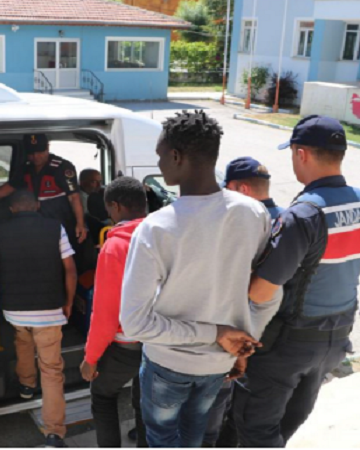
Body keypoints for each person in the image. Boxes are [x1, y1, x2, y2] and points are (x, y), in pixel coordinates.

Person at [120, 110, 281, 448]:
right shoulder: (253, 213)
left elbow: (133, 324)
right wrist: (241, 343)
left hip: (168, 364)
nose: (159, 163)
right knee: (194, 434)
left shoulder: (155, 228)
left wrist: (218, 335)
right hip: (218, 365)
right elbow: (267, 293)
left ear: (176, 156)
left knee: (163, 438)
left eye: (160, 155)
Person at [234, 115, 360, 447]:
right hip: (336, 338)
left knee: (255, 427)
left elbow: (262, 290)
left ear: (301, 153)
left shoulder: (303, 215)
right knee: (291, 419)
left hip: (288, 344)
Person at [0, 190, 78, 448]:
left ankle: (26, 386)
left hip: (14, 309)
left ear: (12, 209)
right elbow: (69, 268)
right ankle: (54, 431)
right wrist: (68, 301)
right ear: (36, 206)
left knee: (22, 341)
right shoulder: (55, 227)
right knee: (51, 369)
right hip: (49, 310)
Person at [202, 157, 287, 448]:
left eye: (229, 190)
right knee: (245, 416)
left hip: (237, 338)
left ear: (241, 188)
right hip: (275, 338)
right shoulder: (290, 222)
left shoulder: (240, 223)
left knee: (215, 415)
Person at [80, 176, 148, 448]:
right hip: (160, 341)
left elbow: (105, 312)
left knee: (103, 395)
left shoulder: (115, 246)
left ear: (116, 207)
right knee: (146, 399)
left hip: (126, 344)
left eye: (108, 209)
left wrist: (91, 357)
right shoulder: (164, 234)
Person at [0, 134, 88, 245]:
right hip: (33, 221)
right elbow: (11, 186)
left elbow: (74, 197)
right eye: (31, 153)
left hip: (60, 221)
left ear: (47, 147)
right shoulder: (26, 167)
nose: (36, 156)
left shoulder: (62, 167)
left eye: (40, 152)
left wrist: (80, 223)